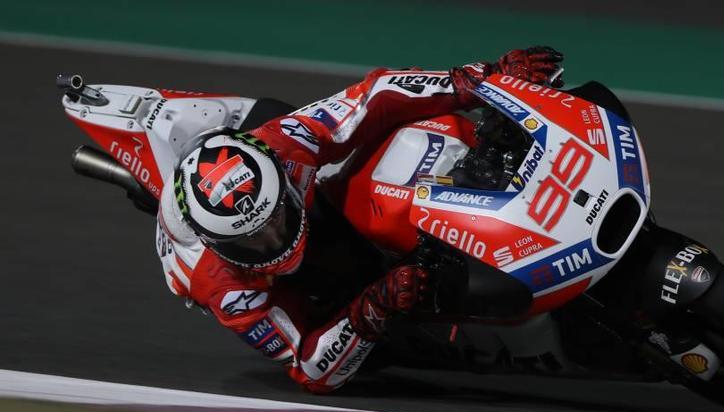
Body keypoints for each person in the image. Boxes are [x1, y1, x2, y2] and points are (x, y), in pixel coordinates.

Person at [155, 47, 565, 393]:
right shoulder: (221, 285)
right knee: (399, 323)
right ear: (219, 245)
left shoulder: (281, 144)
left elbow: (374, 96)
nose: (275, 240)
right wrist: (372, 307)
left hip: (289, 179)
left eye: (276, 217)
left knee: (388, 169)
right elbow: (310, 367)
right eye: (254, 241)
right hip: (312, 300)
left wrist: (480, 80)